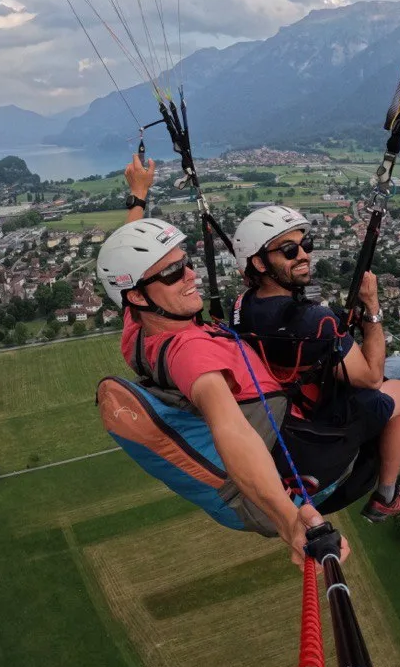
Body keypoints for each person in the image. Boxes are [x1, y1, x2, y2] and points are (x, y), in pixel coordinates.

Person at [99, 211, 384, 566]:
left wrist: (137, 198)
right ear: (140, 296)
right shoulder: (191, 352)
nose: (192, 275)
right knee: (385, 396)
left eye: (185, 263)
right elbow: (229, 427)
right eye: (173, 273)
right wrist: (288, 520)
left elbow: (127, 270)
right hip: (289, 450)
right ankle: (388, 492)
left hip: (270, 429)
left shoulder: (138, 333)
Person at [230, 204, 400, 456]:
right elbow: (372, 379)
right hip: (329, 401)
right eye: (289, 250)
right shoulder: (316, 321)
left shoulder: (242, 305)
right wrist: (372, 307)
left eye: (305, 245)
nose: (304, 255)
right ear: (259, 262)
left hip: (293, 398)